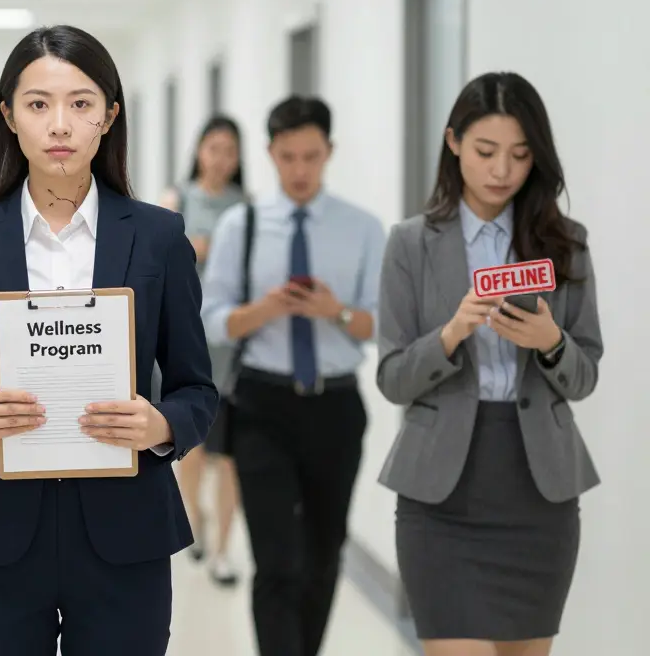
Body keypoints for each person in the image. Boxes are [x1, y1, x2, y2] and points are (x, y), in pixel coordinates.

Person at [0, 24, 218, 656]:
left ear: (108, 116)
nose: (59, 125)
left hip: (126, 535)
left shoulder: (158, 237)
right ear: (9, 117)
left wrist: (159, 427)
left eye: (80, 104)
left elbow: (197, 390)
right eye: (38, 104)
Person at [376, 72, 602, 656]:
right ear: (454, 143)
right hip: (441, 497)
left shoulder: (565, 243)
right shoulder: (410, 243)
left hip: (538, 493)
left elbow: (585, 376)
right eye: (485, 151)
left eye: (521, 155)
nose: (502, 169)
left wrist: (551, 341)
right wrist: (451, 334)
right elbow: (394, 379)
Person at [199, 95, 385, 656]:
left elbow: (381, 325)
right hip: (263, 404)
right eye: (287, 158)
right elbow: (212, 320)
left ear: (329, 152)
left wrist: (336, 313)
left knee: (325, 555)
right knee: (278, 561)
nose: (299, 171)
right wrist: (267, 309)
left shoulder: (362, 228)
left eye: (310, 156)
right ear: (270, 155)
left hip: (335, 406)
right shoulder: (242, 225)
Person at [171, 115, 249, 586]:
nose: (220, 158)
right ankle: (194, 520)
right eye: (213, 148)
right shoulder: (176, 199)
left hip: (236, 343)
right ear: (199, 150)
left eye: (229, 150)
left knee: (232, 453)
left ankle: (224, 548)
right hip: (187, 342)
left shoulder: (249, 208)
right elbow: (157, 257)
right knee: (194, 445)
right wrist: (191, 250)